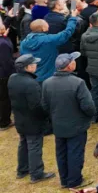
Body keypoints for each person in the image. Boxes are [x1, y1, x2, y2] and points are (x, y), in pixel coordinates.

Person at [41, 52, 95, 190]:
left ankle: (64, 179)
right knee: (75, 152)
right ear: (69, 66)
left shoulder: (47, 83)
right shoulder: (78, 83)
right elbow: (88, 106)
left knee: (61, 152)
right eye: (73, 61)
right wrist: (89, 116)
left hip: (58, 125)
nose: (75, 62)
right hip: (76, 125)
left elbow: (45, 106)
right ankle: (75, 181)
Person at [9, 54, 54, 183]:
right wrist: (46, 116)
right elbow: (36, 107)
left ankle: (22, 170)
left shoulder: (12, 78)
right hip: (32, 121)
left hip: (20, 119)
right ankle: (37, 174)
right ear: (27, 67)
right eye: (34, 64)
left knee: (23, 144)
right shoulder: (31, 84)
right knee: (34, 146)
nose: (36, 65)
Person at [20, 12, 79, 81]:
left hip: (32, 76)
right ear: (43, 28)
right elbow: (67, 33)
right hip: (47, 77)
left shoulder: (23, 42)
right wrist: (73, 18)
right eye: (46, 24)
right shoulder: (49, 40)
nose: (48, 25)